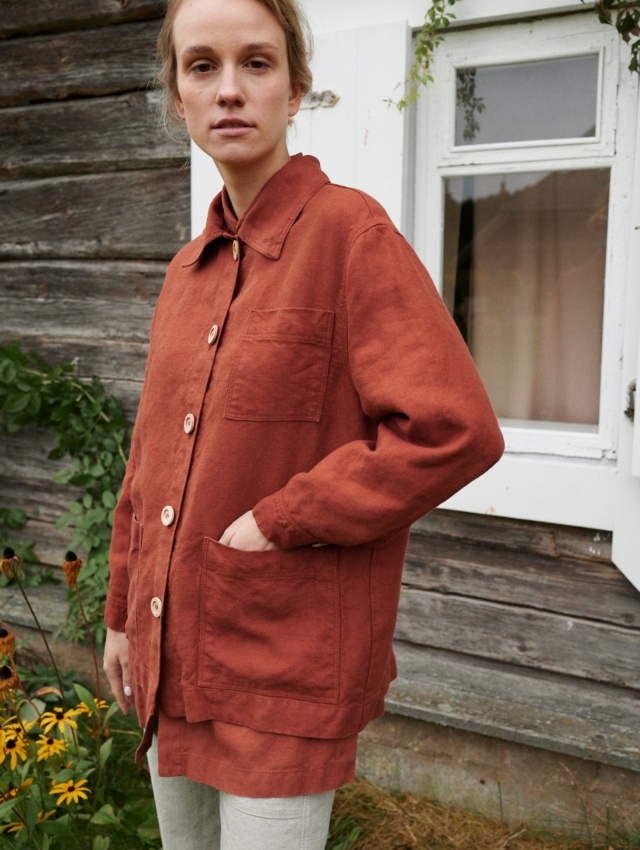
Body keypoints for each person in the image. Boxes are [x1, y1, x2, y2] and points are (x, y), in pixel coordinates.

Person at [102, 0, 505, 847]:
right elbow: (149, 463)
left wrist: (281, 519)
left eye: (257, 63)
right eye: (202, 67)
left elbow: (451, 428)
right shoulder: (187, 272)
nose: (230, 91)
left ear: (298, 86)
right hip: (168, 656)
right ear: (177, 96)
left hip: (282, 666)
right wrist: (119, 617)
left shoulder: (350, 235)